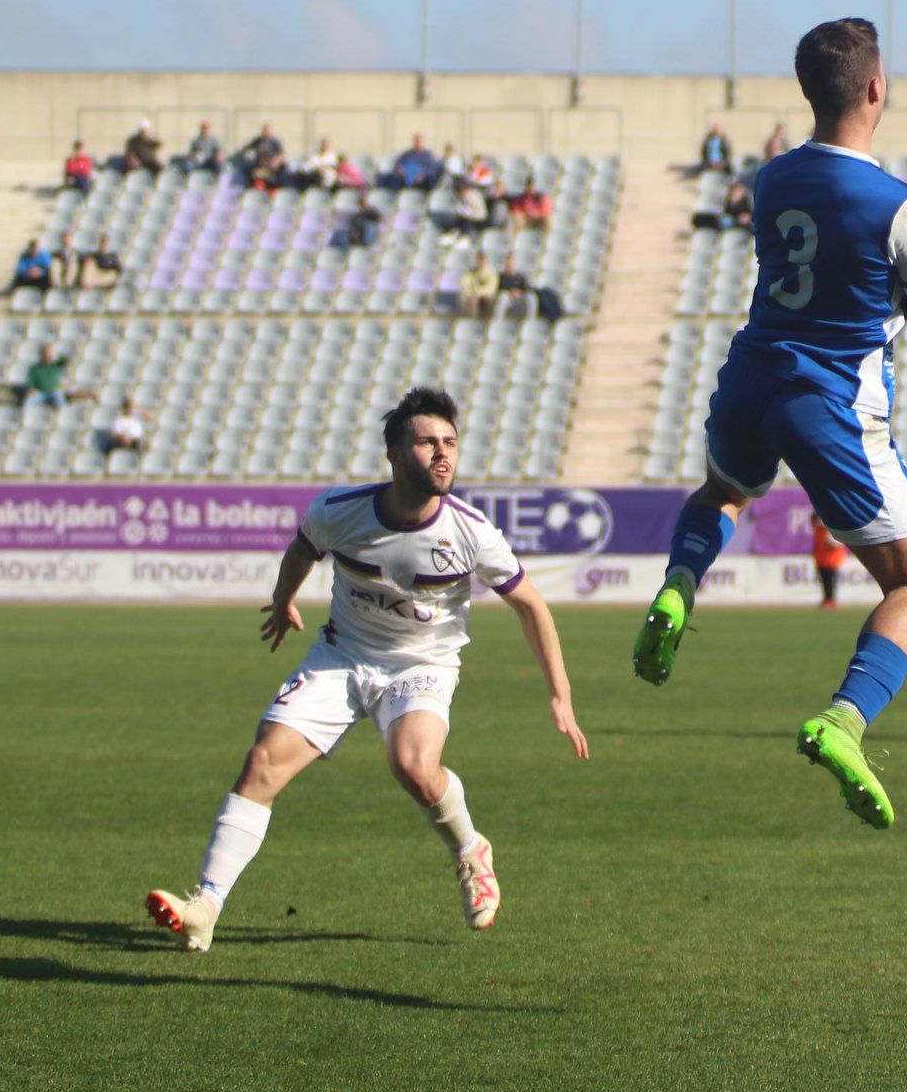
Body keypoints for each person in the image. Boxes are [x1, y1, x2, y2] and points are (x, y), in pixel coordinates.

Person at [629, 17, 907, 831]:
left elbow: (828, 266)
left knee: (724, 488)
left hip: (752, 373)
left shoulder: (771, 178)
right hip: (829, 400)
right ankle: (844, 719)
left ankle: (678, 589)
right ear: (876, 88)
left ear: (810, 90)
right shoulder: (901, 204)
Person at [144, 389, 588, 952]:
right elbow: (302, 550)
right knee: (262, 762)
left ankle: (471, 850)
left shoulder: (472, 532)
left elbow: (533, 606)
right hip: (342, 656)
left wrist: (560, 696)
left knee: (414, 766)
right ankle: (205, 906)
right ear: (395, 454)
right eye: (427, 442)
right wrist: (284, 600)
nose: (442, 454)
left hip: (422, 664)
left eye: (450, 443)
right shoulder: (339, 510)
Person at [23, 343, 94, 408]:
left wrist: (56, 354)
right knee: (28, 404)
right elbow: (31, 381)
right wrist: (32, 389)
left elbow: (67, 360)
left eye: (48, 354)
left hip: (53, 391)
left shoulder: (56, 365)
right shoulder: (35, 368)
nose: (47, 356)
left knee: (62, 405)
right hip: (40, 392)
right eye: (45, 353)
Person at [812, 514, 848, 609]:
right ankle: (826, 600)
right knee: (824, 581)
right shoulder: (818, 530)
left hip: (832, 560)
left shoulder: (833, 530)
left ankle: (831, 601)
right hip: (821, 559)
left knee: (831, 581)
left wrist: (833, 544)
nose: (819, 522)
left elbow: (841, 542)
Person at [237, 124, 286, 190]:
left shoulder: (274, 142)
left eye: (268, 131)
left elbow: (281, 154)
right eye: (264, 130)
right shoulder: (257, 141)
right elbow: (246, 149)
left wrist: (275, 161)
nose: (266, 132)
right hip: (259, 166)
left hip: (271, 167)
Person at [457, 254, 500, 318]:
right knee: (472, 299)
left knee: (490, 299)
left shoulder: (492, 273)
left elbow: (491, 289)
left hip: (484, 297)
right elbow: (464, 287)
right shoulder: (468, 273)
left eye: (483, 262)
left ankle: (488, 321)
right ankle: (473, 321)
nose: (481, 264)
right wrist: (473, 294)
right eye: (479, 261)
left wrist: (478, 293)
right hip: (471, 298)